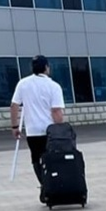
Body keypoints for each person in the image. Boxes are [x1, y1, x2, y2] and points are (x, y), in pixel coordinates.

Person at [9, 56, 67, 186]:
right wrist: (61, 130)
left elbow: (14, 105)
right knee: (53, 158)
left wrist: (15, 126)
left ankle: (44, 183)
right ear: (46, 67)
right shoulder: (54, 86)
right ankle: (53, 183)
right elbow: (56, 111)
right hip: (50, 131)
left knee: (36, 159)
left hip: (33, 131)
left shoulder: (23, 84)